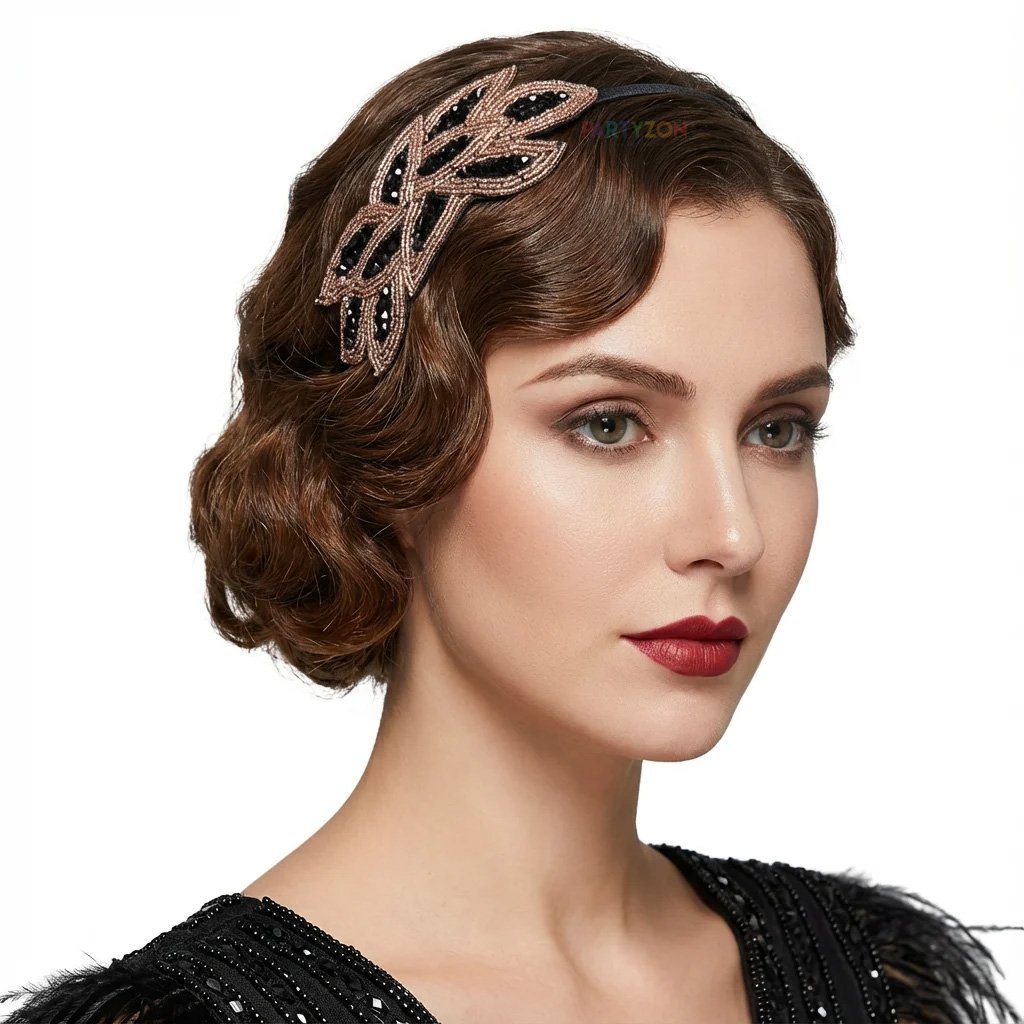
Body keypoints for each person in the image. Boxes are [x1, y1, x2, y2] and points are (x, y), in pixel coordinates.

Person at [4, 29, 1020, 1024]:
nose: (733, 532)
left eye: (777, 428)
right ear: (391, 452)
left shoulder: (872, 980)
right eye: (608, 423)